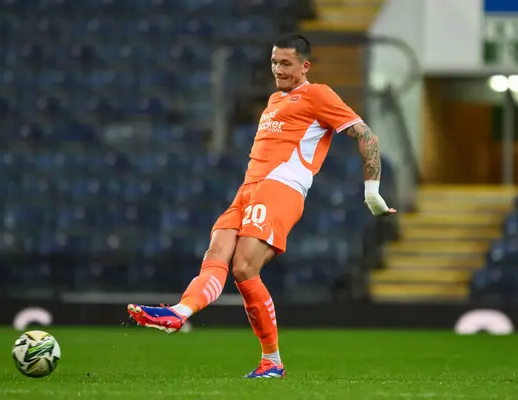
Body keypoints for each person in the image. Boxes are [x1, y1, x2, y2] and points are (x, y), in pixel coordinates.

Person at [127, 33, 396, 379]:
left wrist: (372, 190)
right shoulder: (272, 101)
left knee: (243, 266)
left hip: (281, 189)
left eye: (286, 63)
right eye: (274, 62)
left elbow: (366, 135)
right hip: (248, 190)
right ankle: (179, 312)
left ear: (304, 65)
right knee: (217, 253)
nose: (278, 69)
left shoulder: (318, 94)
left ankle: (273, 361)